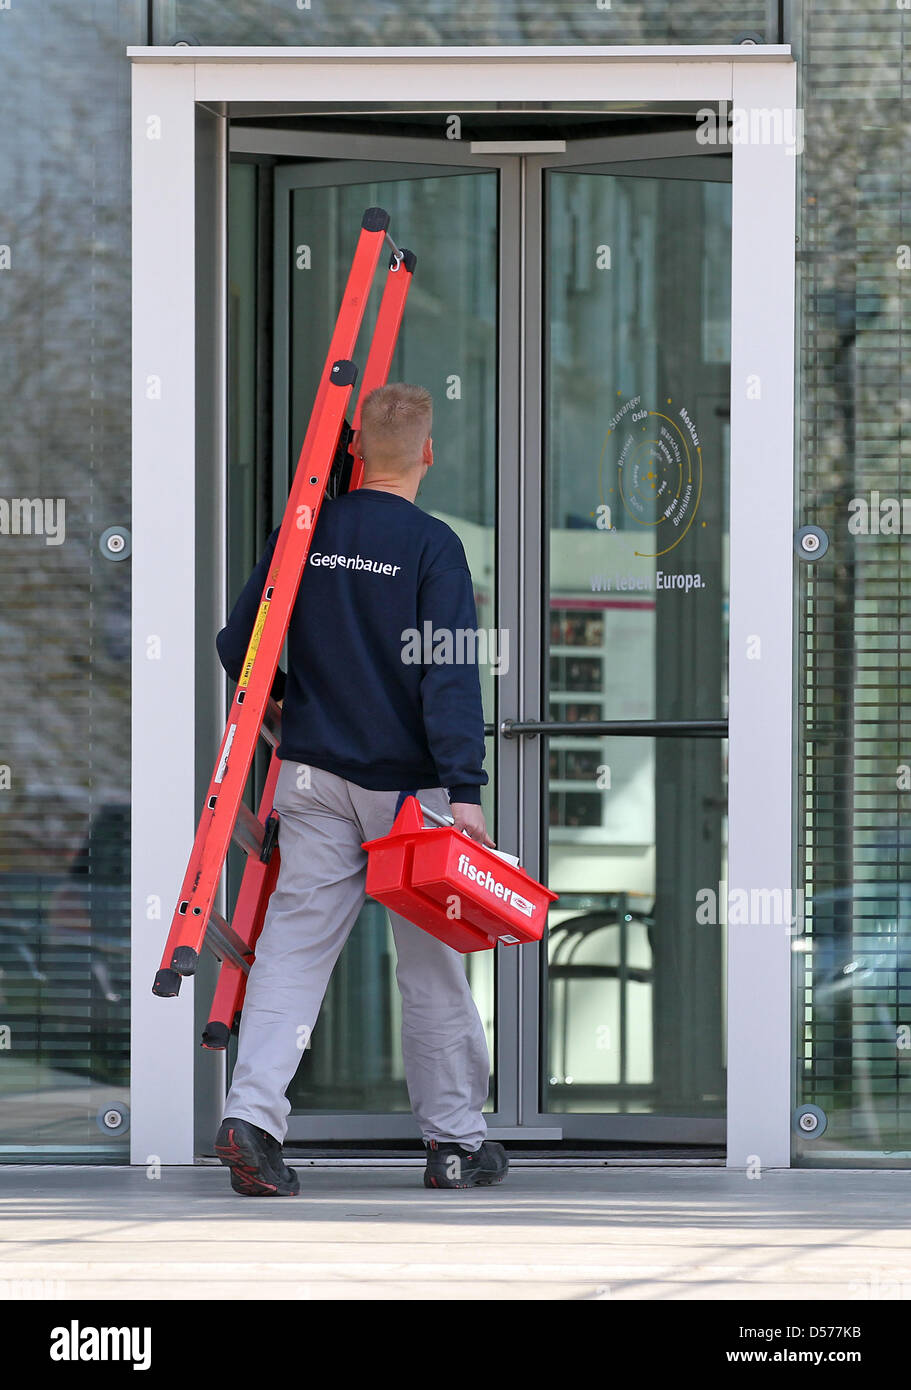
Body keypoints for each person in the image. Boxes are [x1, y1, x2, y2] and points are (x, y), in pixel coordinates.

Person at [212, 382, 507, 1196]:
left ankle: (252, 1121)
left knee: (293, 953)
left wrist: (279, 704)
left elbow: (240, 641)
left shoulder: (306, 532)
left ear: (354, 454)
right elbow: (447, 673)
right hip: (410, 794)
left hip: (310, 778)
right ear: (428, 453)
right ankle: (453, 1145)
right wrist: (466, 788)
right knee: (431, 968)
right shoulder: (432, 546)